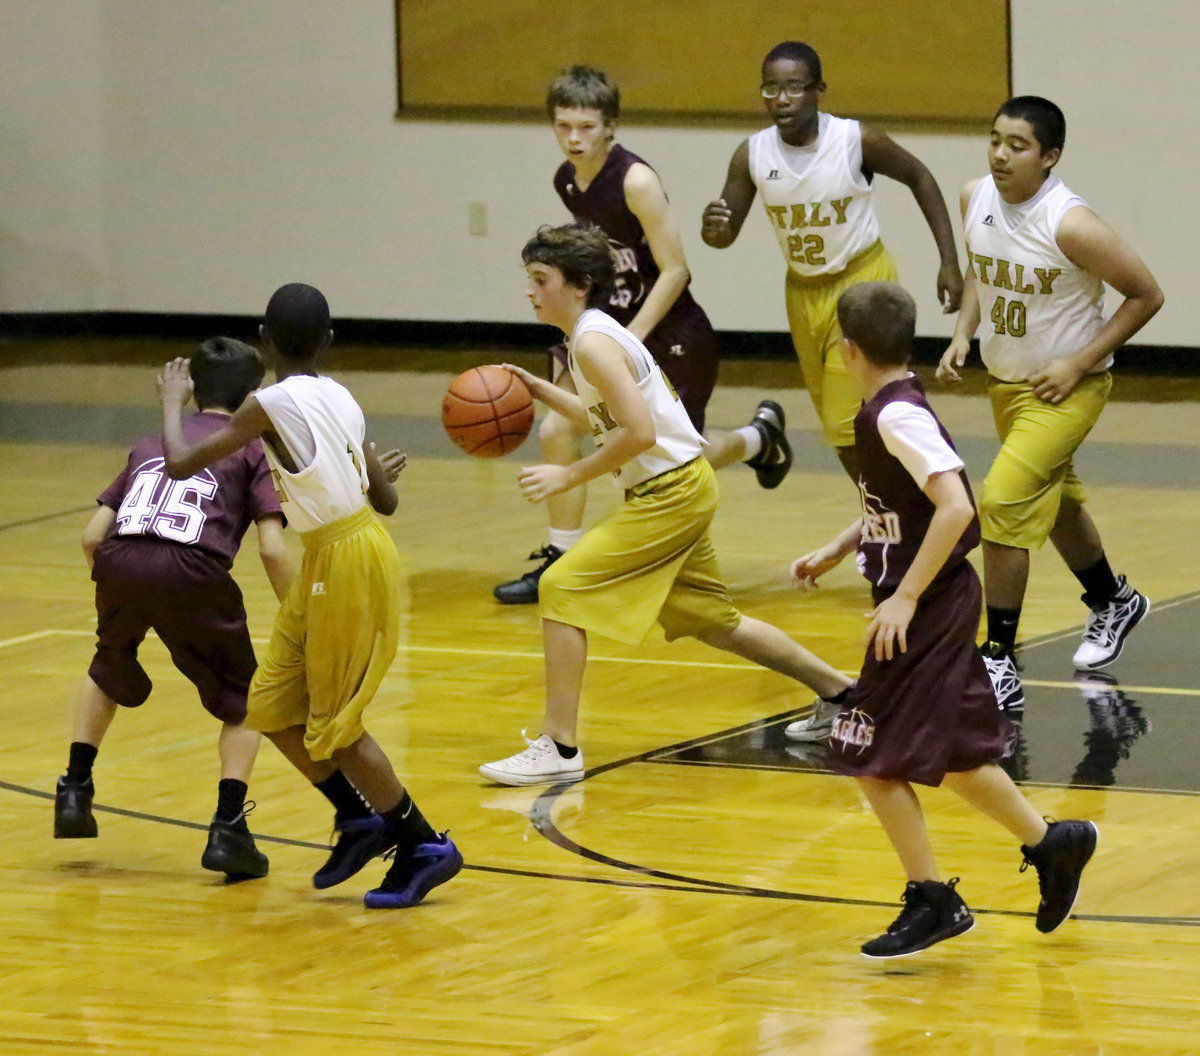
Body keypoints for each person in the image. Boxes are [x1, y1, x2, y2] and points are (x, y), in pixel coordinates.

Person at [479, 222, 853, 786]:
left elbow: (640, 432)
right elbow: (606, 422)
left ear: (577, 284)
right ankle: (844, 693)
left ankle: (559, 747)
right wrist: (541, 390)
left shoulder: (592, 342)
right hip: (682, 485)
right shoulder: (594, 334)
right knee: (713, 621)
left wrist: (568, 475)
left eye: (540, 279)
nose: (529, 291)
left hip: (668, 493)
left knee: (559, 587)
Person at [792, 281, 1098, 958]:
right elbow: (901, 502)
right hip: (924, 598)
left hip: (925, 605)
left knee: (867, 753)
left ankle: (934, 899)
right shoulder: (891, 405)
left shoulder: (897, 416)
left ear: (845, 350)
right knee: (956, 753)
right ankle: (1054, 845)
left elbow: (958, 508)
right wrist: (843, 545)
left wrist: (903, 596)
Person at [155, 283, 462, 909]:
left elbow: (182, 463)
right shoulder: (341, 395)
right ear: (329, 340)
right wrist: (363, 473)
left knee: (336, 728)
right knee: (268, 703)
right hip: (340, 547)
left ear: (264, 338)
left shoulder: (265, 403)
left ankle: (423, 844)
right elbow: (387, 501)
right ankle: (356, 820)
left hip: (345, 558)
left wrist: (172, 402)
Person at [493, 65, 793, 606]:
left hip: (668, 330)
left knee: (683, 455)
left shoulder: (635, 180)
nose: (574, 138)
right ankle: (560, 554)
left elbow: (676, 269)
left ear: (611, 126)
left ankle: (758, 439)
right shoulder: (567, 180)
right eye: (564, 127)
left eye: (586, 127)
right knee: (558, 429)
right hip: (608, 328)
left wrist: (626, 339)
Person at [937, 96, 1163, 710]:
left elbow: (1146, 295)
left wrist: (1078, 363)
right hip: (1008, 384)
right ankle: (1115, 601)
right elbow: (985, 269)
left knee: (1004, 501)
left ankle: (999, 658)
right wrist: (963, 332)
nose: (1001, 154)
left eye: (1018, 145)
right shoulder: (973, 195)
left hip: (1068, 387)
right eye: (995, 140)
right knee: (1053, 498)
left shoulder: (1071, 223)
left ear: (1049, 157)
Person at [53, 337, 293, 880]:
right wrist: (299, 611)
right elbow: (273, 548)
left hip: (119, 559)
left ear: (190, 392)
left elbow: (91, 536)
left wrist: (124, 588)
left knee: (108, 664)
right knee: (244, 701)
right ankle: (228, 827)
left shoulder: (148, 443)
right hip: (191, 568)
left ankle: (73, 787)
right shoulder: (249, 448)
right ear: (254, 396)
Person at [701, 41, 963, 484]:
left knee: (847, 424)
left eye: (794, 88)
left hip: (863, 284)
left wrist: (949, 261)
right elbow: (723, 234)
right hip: (803, 292)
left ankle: (888, 512)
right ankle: (891, 504)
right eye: (770, 88)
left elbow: (920, 176)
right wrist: (714, 228)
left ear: (819, 90)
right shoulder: (752, 155)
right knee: (840, 422)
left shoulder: (854, 140)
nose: (781, 99)